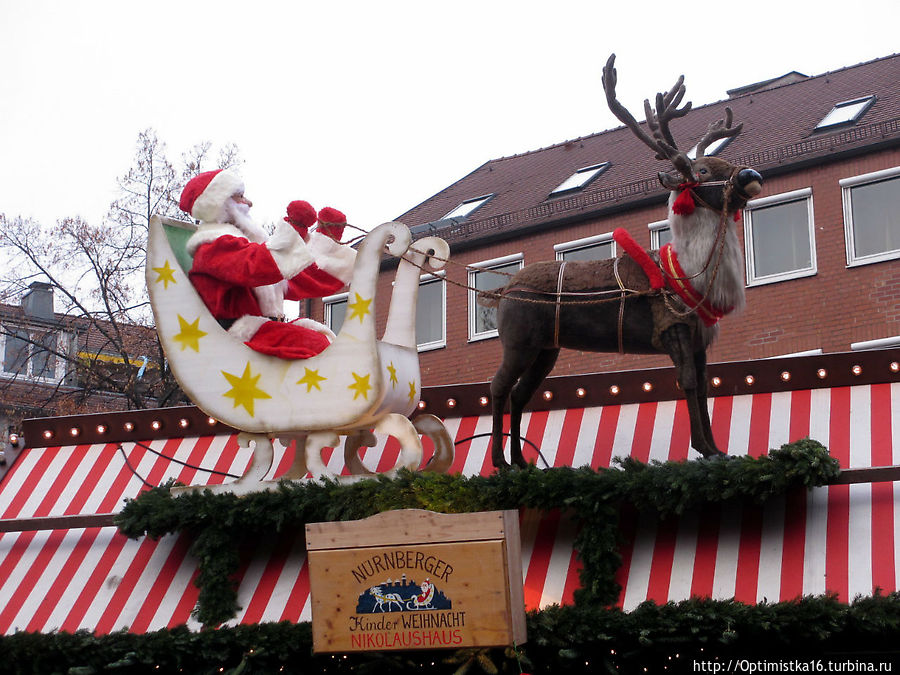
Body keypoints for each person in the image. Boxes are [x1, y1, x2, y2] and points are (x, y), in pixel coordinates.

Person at [179, 169, 356, 359]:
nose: (249, 203)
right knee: (314, 345)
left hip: (261, 329)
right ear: (219, 204)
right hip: (237, 336)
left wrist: (325, 243)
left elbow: (296, 278)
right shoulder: (213, 247)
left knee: (326, 341)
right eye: (240, 197)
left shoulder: (240, 247)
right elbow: (256, 266)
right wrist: (294, 230)